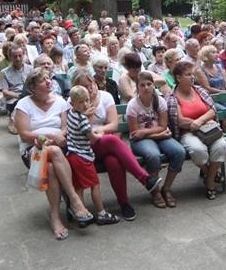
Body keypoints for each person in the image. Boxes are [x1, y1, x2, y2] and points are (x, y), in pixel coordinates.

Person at [69, 69, 162, 221]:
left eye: (91, 83)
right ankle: (145, 179)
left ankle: (124, 203)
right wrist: (92, 120)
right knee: (111, 140)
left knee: (113, 161)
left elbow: (113, 126)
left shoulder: (105, 96)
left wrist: (99, 130)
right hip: (85, 146)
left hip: (103, 143)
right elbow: (80, 131)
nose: (90, 88)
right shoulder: (75, 102)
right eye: (85, 86)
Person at [13, 68, 95, 240]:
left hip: (58, 145)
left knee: (50, 168)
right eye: (43, 80)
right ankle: (74, 200)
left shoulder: (59, 101)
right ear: (33, 87)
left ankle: (56, 217)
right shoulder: (24, 104)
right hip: (34, 150)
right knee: (54, 151)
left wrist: (55, 138)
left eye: (49, 78)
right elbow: (24, 134)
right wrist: (49, 137)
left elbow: (65, 129)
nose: (49, 82)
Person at [165, 61, 226, 200]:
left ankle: (209, 180)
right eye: (188, 75)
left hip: (208, 129)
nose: (192, 77)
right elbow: (180, 121)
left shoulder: (200, 91)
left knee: (221, 146)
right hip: (187, 133)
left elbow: (212, 110)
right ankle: (211, 175)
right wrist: (203, 121)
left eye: (192, 74)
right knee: (198, 149)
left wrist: (200, 121)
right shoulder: (172, 97)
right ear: (178, 78)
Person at [127, 72, 186, 209]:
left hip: (156, 135)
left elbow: (162, 126)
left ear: (153, 85)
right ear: (138, 88)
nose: (146, 87)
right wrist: (156, 135)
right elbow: (135, 133)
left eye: (149, 84)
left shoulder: (160, 101)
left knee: (179, 151)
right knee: (153, 155)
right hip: (140, 140)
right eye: (142, 85)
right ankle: (155, 191)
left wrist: (146, 133)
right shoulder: (133, 105)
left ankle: (166, 188)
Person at [66, 86, 120, 226]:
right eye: (80, 102)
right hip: (82, 156)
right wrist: (100, 134)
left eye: (87, 100)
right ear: (72, 103)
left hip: (72, 154)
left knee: (79, 187)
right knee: (95, 184)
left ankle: (82, 215)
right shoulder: (82, 119)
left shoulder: (72, 113)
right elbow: (92, 137)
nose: (85, 104)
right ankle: (101, 213)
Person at [0, 44, 33, 127]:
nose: (18, 59)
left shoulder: (30, 69)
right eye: (15, 56)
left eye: (20, 56)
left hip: (31, 95)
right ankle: (14, 121)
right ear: (10, 57)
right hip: (14, 98)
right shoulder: (4, 72)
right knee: (21, 103)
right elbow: (5, 92)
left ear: (24, 54)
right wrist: (20, 96)